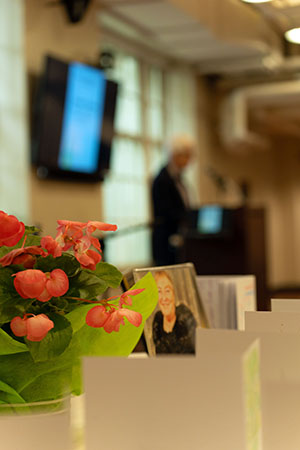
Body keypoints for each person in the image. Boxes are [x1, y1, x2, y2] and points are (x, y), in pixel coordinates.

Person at [151, 134, 195, 266]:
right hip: (166, 242)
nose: (189, 160)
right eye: (186, 155)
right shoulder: (162, 179)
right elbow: (166, 212)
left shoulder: (179, 178)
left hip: (179, 239)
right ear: (175, 155)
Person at [152, 270, 196, 354]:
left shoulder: (184, 315)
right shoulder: (158, 319)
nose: (164, 298)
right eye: (159, 292)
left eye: (167, 291)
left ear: (173, 293)